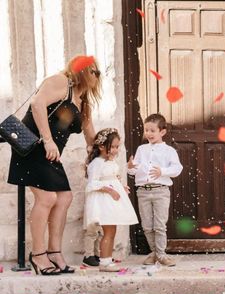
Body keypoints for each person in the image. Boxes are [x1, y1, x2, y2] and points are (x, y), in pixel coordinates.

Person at [7, 55, 101, 275]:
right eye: (92, 70)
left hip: (50, 154)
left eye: (97, 72)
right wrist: (48, 141)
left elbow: (91, 137)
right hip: (33, 147)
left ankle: (54, 253)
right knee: (47, 198)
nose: (95, 75)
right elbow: (37, 104)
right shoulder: (61, 82)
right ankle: (38, 255)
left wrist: (106, 152)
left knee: (65, 197)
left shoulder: (83, 100)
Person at [127, 114, 183, 266]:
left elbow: (177, 168)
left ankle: (161, 254)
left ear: (162, 132)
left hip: (160, 191)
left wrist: (162, 172)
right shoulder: (141, 149)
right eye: (146, 130)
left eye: (152, 130)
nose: (149, 134)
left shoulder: (169, 150)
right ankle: (154, 252)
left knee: (159, 225)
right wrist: (130, 168)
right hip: (143, 191)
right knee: (146, 225)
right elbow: (134, 170)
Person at [84, 128, 138, 272]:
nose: (115, 150)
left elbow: (114, 178)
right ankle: (104, 262)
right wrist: (110, 190)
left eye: (117, 147)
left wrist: (121, 187)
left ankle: (107, 260)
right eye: (112, 147)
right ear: (101, 146)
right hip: (104, 201)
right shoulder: (97, 163)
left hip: (112, 200)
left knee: (112, 231)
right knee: (108, 232)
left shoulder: (110, 162)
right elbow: (92, 183)